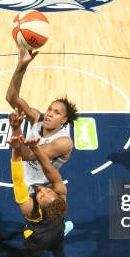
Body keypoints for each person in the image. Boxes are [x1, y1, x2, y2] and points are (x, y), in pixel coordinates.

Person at [8, 111, 78, 257]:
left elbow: (18, 180)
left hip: (37, 239)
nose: (41, 188)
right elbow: (49, 170)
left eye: (40, 193)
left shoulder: (30, 210)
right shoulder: (62, 197)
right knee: (61, 254)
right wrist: (36, 150)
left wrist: (16, 153)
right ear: (56, 196)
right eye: (46, 189)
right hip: (57, 232)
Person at [5, 46, 78, 235]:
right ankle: (48, 229)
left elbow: (28, 154)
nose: (49, 114)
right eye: (49, 109)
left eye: (56, 112)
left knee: (54, 216)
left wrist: (16, 130)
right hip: (28, 179)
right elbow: (11, 97)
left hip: (47, 185)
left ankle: (60, 229)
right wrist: (21, 67)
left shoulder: (64, 142)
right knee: (33, 218)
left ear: (64, 121)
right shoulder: (37, 118)